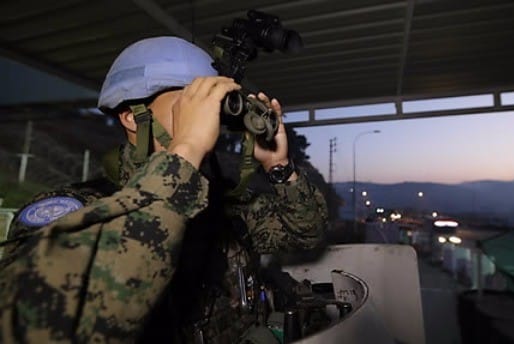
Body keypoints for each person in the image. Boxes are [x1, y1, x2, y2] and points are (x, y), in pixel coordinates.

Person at [0, 36, 327, 343]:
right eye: (190, 104)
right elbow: (41, 322)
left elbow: (305, 233)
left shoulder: (216, 205)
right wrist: (186, 149)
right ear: (131, 117)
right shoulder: (76, 212)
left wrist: (277, 166)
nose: (206, 118)